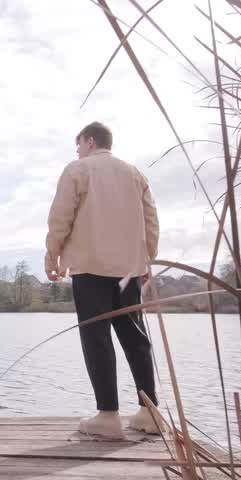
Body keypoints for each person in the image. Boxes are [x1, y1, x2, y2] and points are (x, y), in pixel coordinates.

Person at [45, 121, 167, 440]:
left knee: (96, 337)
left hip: (90, 265)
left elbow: (61, 216)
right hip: (129, 269)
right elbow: (151, 221)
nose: (77, 151)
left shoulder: (78, 170)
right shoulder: (135, 174)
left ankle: (108, 415)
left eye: (79, 145)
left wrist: (52, 255)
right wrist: (146, 259)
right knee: (135, 336)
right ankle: (150, 412)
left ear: (89, 141)